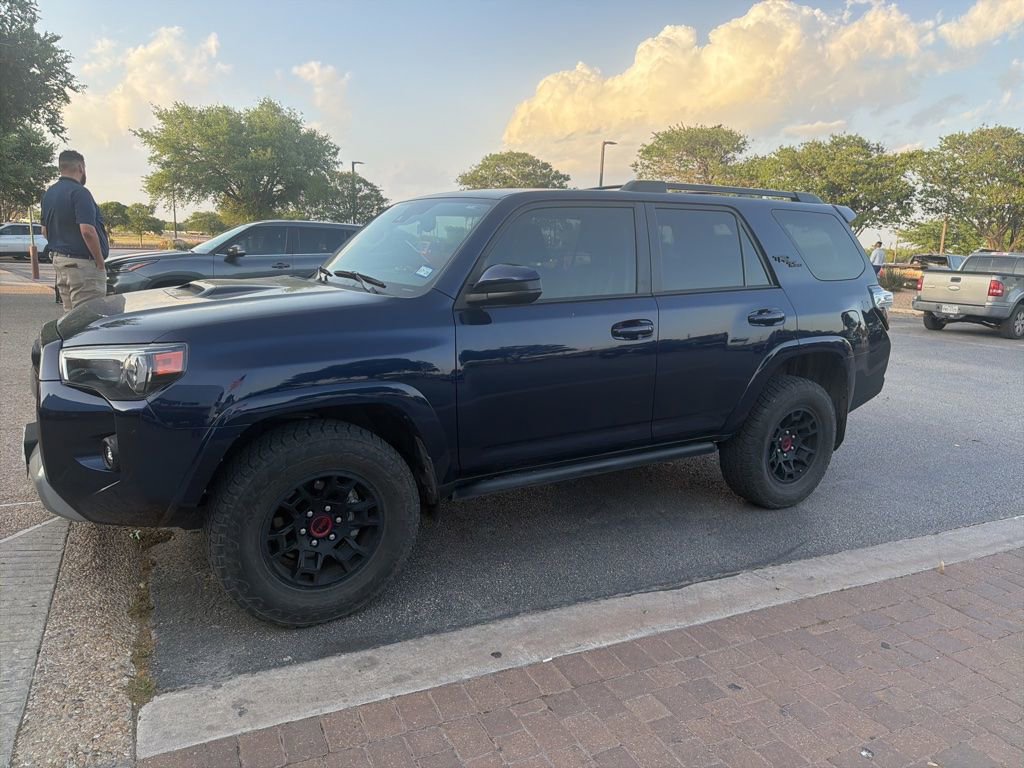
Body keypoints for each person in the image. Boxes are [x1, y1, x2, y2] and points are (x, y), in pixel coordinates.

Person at [41, 150, 108, 310]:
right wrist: (100, 263)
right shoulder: (80, 193)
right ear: (80, 167)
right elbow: (87, 231)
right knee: (89, 318)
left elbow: (44, 231)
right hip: (83, 266)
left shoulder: (49, 194)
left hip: (61, 262)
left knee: (70, 318)